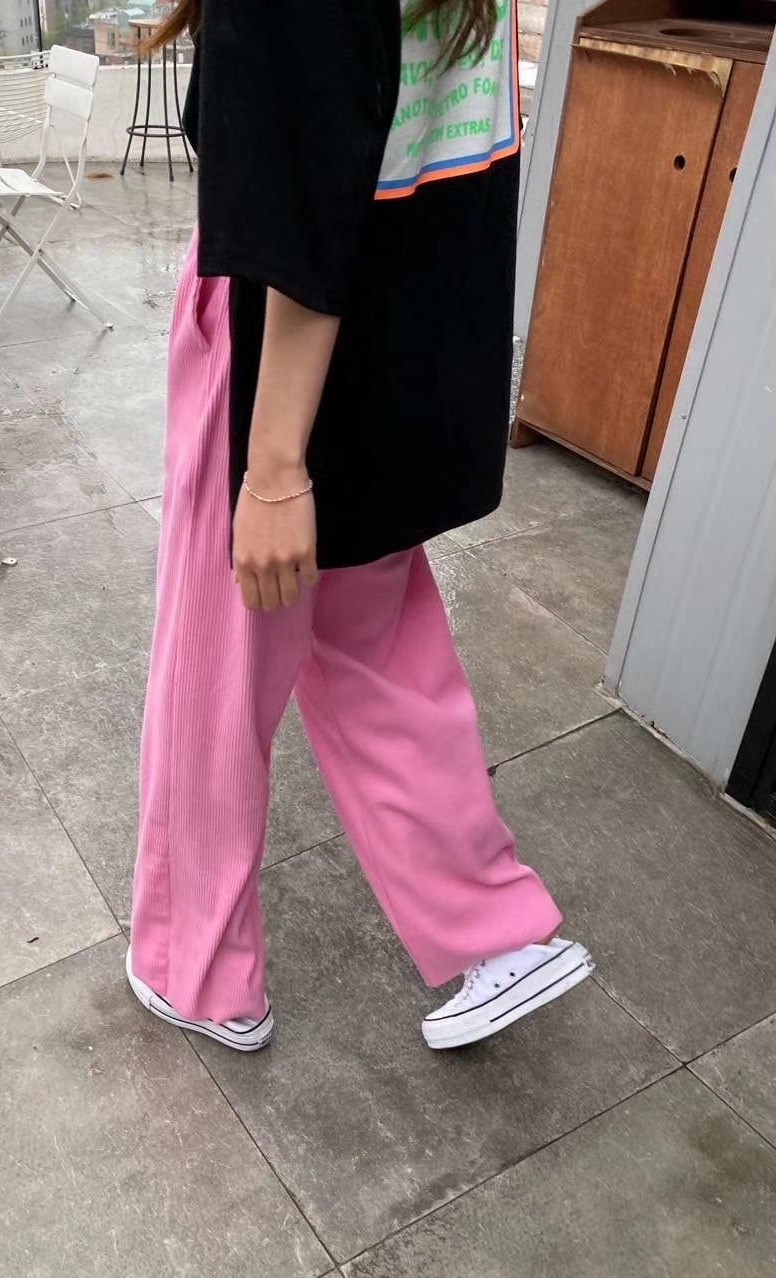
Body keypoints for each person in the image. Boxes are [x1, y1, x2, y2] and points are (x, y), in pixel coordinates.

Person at [127, 0, 593, 1052]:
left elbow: (296, 213)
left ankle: (198, 972)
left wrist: (273, 469)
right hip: (394, 350)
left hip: (281, 367)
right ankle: (495, 931)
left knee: (217, 678)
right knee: (380, 657)